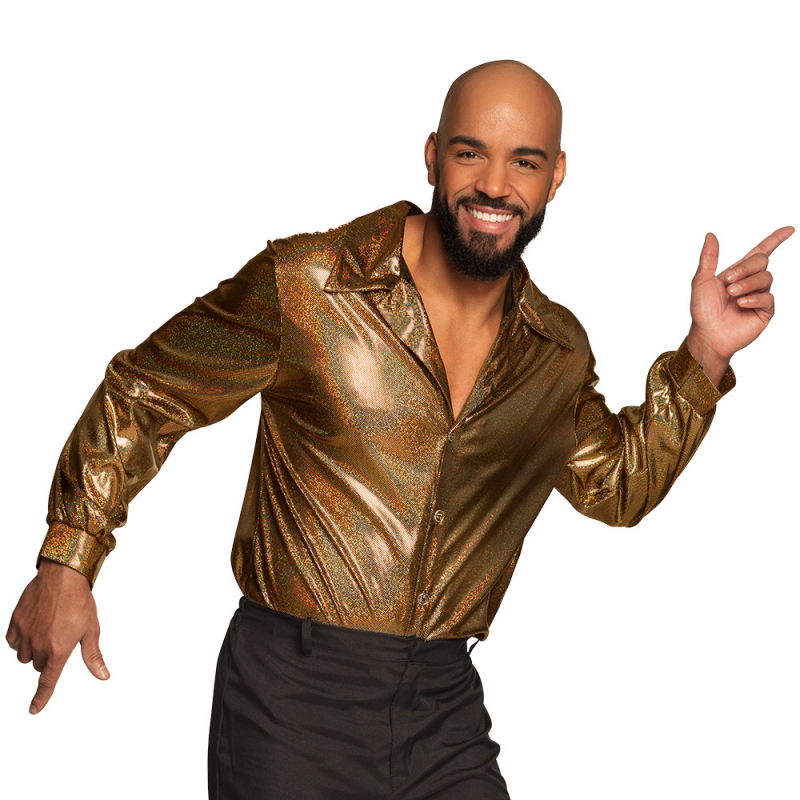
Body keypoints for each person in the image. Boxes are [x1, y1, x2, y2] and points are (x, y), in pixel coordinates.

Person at [5, 59, 792, 799]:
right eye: (470, 153)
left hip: (443, 707)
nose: (495, 184)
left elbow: (614, 487)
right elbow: (148, 392)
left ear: (555, 176)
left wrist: (705, 355)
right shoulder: (309, 286)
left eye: (523, 162)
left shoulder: (553, 350)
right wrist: (69, 557)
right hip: (290, 700)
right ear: (432, 157)